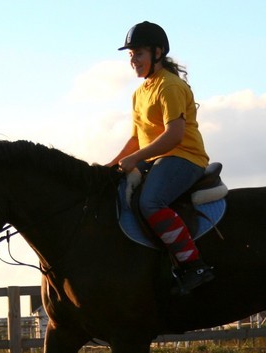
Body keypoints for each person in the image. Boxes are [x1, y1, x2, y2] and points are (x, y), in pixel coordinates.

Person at [108, 21, 215, 294]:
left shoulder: (169, 86)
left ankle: (194, 265)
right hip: (155, 158)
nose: (133, 61)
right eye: (130, 56)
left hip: (183, 156)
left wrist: (136, 159)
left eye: (139, 54)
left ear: (157, 53)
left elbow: (174, 135)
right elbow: (136, 139)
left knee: (151, 202)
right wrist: (111, 165)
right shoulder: (139, 93)